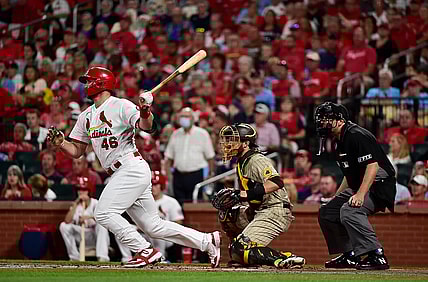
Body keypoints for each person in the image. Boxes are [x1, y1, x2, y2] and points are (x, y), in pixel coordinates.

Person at [47, 66, 221, 268]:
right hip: (119, 172)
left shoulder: (121, 106)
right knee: (153, 226)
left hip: (130, 167)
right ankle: (207, 241)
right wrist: (61, 143)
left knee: (103, 212)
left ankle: (144, 250)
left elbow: (148, 127)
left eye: (89, 80)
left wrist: (146, 110)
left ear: (100, 83)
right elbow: (77, 150)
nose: (86, 85)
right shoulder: (86, 116)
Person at [211, 123, 305, 269]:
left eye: (233, 140)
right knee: (228, 214)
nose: (228, 143)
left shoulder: (256, 159)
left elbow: (276, 182)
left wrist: (242, 195)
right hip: (260, 209)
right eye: (228, 139)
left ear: (246, 143)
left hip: (274, 210)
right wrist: (240, 197)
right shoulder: (242, 160)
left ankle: (283, 258)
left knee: (241, 248)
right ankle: (241, 254)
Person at [315, 102, 396, 270]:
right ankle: (349, 255)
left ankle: (376, 255)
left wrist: (360, 195)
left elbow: (372, 166)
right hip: (361, 184)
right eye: (321, 119)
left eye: (326, 119)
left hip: (378, 185)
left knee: (349, 210)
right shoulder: (339, 140)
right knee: (328, 211)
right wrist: (336, 196)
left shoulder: (357, 135)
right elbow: (349, 174)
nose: (322, 123)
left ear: (340, 120)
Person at [165, 107, 216, 205]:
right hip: (178, 176)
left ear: (193, 118)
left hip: (196, 175)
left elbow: (210, 157)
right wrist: (170, 177)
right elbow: (169, 157)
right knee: (179, 205)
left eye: (187, 116)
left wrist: (210, 174)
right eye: (182, 116)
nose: (184, 119)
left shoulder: (202, 134)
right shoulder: (175, 134)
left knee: (195, 204)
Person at [143, 171, 184, 261]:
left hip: (166, 237)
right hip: (145, 234)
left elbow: (179, 222)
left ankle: (160, 258)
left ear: (162, 185)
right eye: (151, 185)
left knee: (157, 231)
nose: (153, 188)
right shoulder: (143, 202)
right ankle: (126, 257)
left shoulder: (171, 202)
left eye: (156, 185)